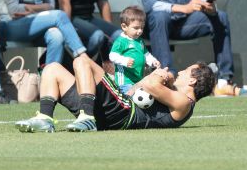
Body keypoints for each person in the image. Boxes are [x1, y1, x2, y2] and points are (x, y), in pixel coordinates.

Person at [15, 53, 215, 133]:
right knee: (52, 69)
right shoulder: (173, 93)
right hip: (117, 109)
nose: (179, 72)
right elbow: (134, 89)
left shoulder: (185, 102)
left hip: (124, 115)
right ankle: (45, 119)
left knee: (82, 61)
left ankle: (86, 117)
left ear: (192, 80)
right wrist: (150, 79)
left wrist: (164, 77)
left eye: (186, 71)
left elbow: (152, 85)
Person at [138, 0, 247, 96]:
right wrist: (183, 8)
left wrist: (210, 7)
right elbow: (148, 4)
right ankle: (168, 78)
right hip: (152, 25)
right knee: (159, 16)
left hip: (183, 25)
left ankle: (223, 82)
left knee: (221, 16)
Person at [0, 0, 88, 103]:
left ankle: (48, 88)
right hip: (9, 24)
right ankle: (83, 57)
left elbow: (51, 6)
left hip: (37, 22)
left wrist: (31, 9)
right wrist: (42, 9)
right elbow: (14, 10)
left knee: (56, 36)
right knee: (59, 16)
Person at [54, 0, 121, 68]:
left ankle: (102, 66)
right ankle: (81, 63)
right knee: (97, 36)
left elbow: (103, 4)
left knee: (119, 35)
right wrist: (69, 31)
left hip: (89, 17)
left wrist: (109, 34)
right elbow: (65, 5)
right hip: (71, 19)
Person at [109, 6, 160, 94]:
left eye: (142, 28)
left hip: (138, 78)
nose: (140, 31)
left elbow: (145, 54)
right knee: (131, 98)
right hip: (125, 81)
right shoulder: (121, 41)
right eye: (136, 28)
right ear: (124, 27)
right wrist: (124, 61)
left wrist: (152, 61)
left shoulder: (139, 40)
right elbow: (112, 56)